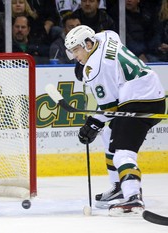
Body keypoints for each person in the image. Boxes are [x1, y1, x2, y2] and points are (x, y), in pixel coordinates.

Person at [64, 25, 166, 215]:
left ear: (87, 44)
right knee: (109, 132)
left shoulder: (95, 70)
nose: (75, 56)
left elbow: (110, 108)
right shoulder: (106, 36)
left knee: (123, 154)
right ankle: (120, 185)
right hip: (150, 93)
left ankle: (133, 197)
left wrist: (93, 123)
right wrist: (97, 123)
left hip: (139, 101)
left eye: (76, 50)